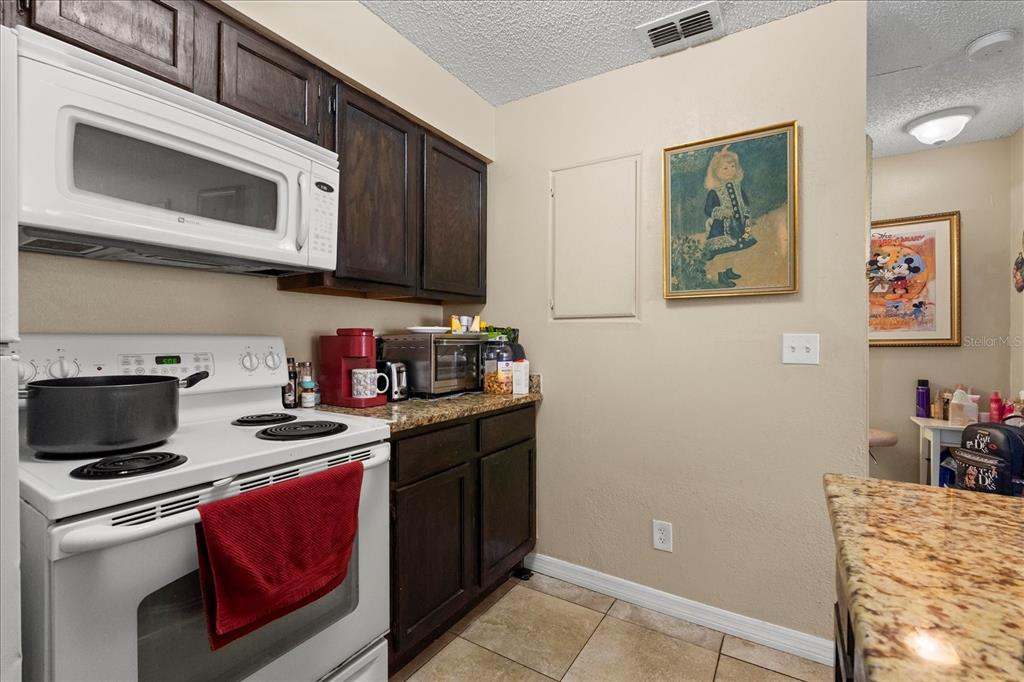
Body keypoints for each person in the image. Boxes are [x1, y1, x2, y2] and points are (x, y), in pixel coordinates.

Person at [702, 145, 757, 285]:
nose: (730, 170)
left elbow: (745, 203)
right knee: (723, 252)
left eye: (732, 167)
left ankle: (729, 270)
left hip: (737, 225)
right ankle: (722, 276)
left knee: (733, 250)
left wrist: (747, 216)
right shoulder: (714, 192)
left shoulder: (737, 187)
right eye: (725, 168)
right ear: (716, 172)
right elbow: (708, 209)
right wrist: (720, 212)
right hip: (721, 228)